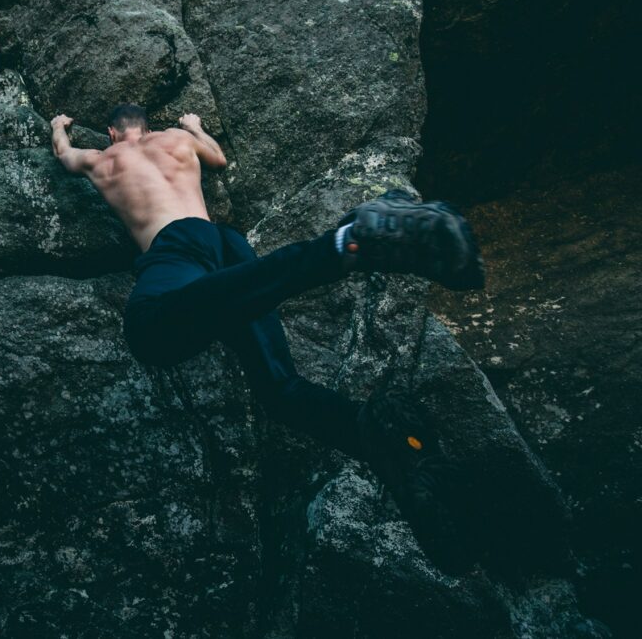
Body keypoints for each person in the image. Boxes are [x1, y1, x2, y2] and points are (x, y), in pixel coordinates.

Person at [50, 103, 485, 568]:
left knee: (147, 331)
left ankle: (348, 242)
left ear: (113, 132)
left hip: (177, 248)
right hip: (227, 245)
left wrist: (59, 126)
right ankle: (395, 447)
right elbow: (218, 159)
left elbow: (64, 155)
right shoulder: (177, 141)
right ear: (147, 127)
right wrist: (195, 126)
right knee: (280, 389)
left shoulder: (104, 158)